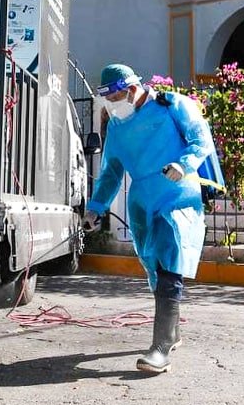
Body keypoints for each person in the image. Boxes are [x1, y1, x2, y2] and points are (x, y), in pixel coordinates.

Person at [82, 64, 224, 374]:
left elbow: (200, 140)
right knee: (154, 267)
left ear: (132, 90)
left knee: (170, 258)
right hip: (142, 201)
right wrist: (95, 207)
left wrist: (184, 164)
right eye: (108, 100)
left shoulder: (173, 105)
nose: (113, 106)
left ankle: (160, 348)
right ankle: (172, 332)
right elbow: (111, 172)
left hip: (177, 194)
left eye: (116, 97)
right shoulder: (117, 126)